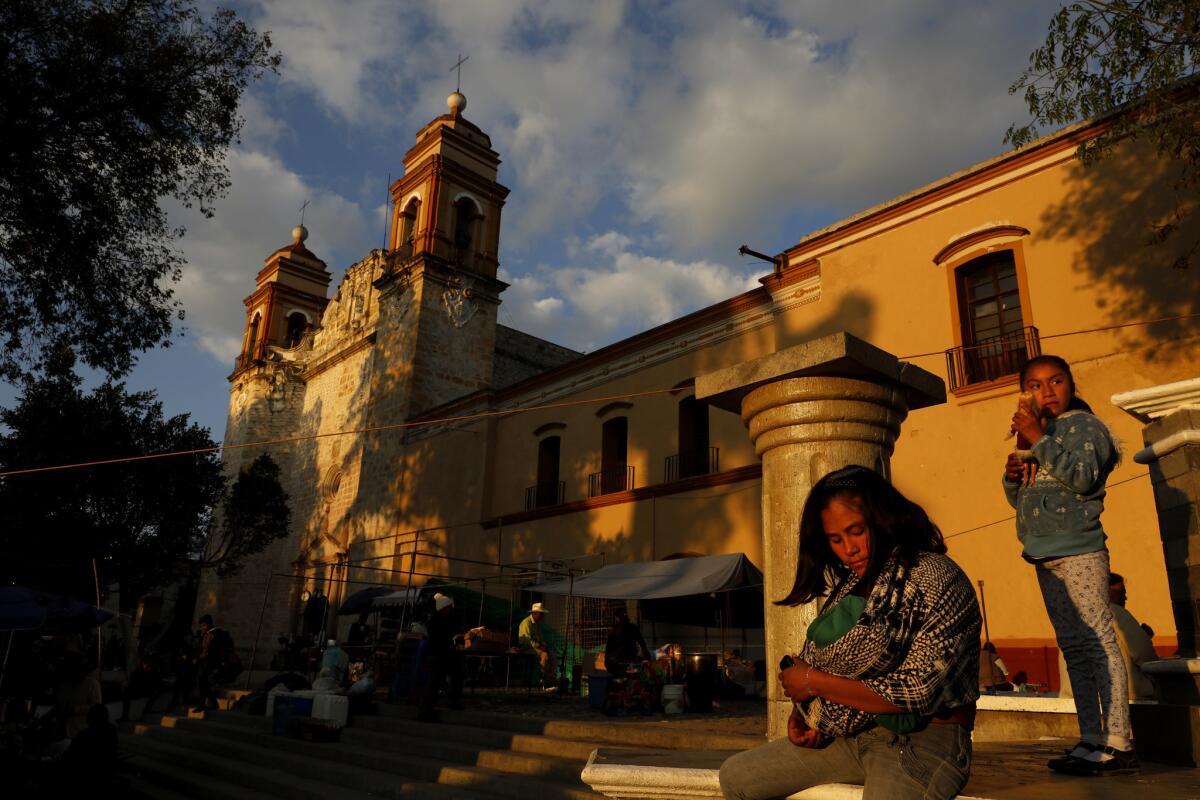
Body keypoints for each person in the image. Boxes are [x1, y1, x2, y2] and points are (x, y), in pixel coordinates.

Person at [719, 465, 982, 800]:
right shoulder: (852, 586)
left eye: (856, 531)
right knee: (738, 777)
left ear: (883, 518)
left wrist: (812, 682)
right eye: (835, 539)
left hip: (927, 739)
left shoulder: (934, 576)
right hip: (851, 735)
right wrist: (804, 715)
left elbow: (917, 692)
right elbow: (822, 663)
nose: (849, 549)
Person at [1003, 355, 1136, 775]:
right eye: (1035, 384)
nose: (1047, 391)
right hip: (1043, 551)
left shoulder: (1085, 427)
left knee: (1097, 639)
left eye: (1056, 381)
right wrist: (1012, 475)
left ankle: (1119, 740)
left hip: (1079, 548)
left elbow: (1081, 477)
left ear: (1071, 385)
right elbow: (1024, 501)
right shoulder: (1037, 434)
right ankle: (1091, 737)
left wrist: (1038, 438)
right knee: (1074, 648)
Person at [1060, 571, 1157, 702]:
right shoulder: (1116, 613)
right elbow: (1145, 655)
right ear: (1104, 590)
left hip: (1079, 697)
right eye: (1120, 592)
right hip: (1123, 696)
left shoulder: (1070, 617)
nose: (1125, 597)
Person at [417, 593, 464, 721]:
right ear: (444, 608)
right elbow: (439, 639)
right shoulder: (436, 620)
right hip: (438, 655)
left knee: (455, 677)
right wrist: (452, 640)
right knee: (434, 684)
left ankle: (453, 702)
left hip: (444, 654)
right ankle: (425, 712)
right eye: (448, 607)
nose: (450, 609)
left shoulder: (445, 618)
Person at [194, 614, 233, 712]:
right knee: (203, 682)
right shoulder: (206, 634)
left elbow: (217, 650)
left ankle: (203, 704)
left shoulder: (216, 633)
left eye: (203, 625)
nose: (202, 627)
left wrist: (221, 662)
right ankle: (213, 703)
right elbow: (203, 648)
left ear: (208, 624)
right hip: (204, 661)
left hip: (211, 661)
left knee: (202, 679)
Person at [518, 601, 558, 689]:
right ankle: (542, 679)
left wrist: (544, 645)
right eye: (541, 613)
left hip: (535, 647)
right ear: (535, 613)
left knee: (552, 655)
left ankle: (549, 677)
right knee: (544, 655)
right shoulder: (526, 623)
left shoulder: (538, 624)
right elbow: (526, 640)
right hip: (526, 647)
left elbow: (540, 638)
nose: (542, 616)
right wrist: (539, 646)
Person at [604, 610, 650, 677]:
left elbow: (608, 649)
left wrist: (608, 661)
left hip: (621, 662)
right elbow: (641, 642)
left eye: (615, 618)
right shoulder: (631, 628)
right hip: (625, 660)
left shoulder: (614, 631)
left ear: (617, 618)